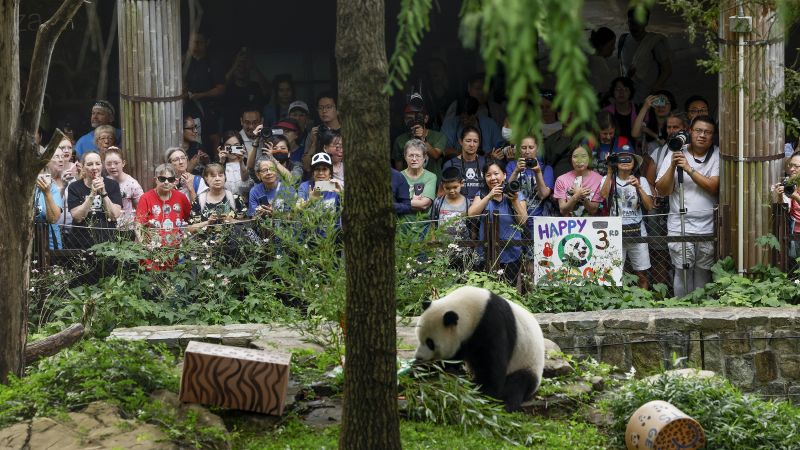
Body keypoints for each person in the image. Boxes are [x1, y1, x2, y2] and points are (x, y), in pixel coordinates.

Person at [655, 115, 720, 297]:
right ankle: (681, 309)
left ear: (712, 136)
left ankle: (700, 312)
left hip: (707, 225)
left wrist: (689, 169)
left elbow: (713, 187)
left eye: (707, 132)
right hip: (679, 223)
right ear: (690, 131)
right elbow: (662, 189)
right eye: (698, 130)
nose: (702, 135)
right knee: (682, 270)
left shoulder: (716, 154)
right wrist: (673, 166)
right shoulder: (676, 151)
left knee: (702, 270)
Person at [598, 147, 654, 288]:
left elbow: (649, 206)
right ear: (615, 161)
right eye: (621, 158)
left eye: (628, 158)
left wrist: (639, 187)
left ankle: (643, 303)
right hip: (614, 232)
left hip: (638, 231)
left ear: (634, 163)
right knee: (613, 272)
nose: (625, 161)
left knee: (642, 273)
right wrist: (610, 172)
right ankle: (616, 305)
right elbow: (603, 195)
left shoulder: (642, 180)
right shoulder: (608, 179)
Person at [468, 159, 528, 284]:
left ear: (504, 175)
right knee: (487, 290)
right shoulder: (482, 194)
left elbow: (523, 221)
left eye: (496, 173)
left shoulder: (517, 194)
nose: (493, 178)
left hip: (511, 252)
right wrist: (489, 196)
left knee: (509, 289)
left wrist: (515, 200)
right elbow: (471, 214)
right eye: (488, 175)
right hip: (486, 252)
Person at [135, 164, 192, 270]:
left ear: (175, 181)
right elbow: (138, 225)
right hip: (152, 254)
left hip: (175, 254)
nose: (166, 182)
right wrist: (144, 245)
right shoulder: (146, 198)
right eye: (162, 179)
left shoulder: (181, 197)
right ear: (156, 180)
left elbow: (191, 220)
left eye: (170, 179)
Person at [66, 151, 122, 248]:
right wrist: (92, 194)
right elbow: (77, 217)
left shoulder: (113, 185)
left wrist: (104, 193)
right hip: (81, 242)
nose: (94, 168)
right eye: (90, 164)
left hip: (108, 242)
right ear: (83, 167)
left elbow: (114, 215)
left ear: (102, 165)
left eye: (98, 163)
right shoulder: (74, 187)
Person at [618, 7, 671, 104]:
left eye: (639, 22)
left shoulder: (654, 42)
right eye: (631, 23)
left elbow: (666, 69)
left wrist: (656, 87)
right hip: (628, 99)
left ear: (646, 23)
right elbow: (622, 68)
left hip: (651, 99)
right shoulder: (623, 40)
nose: (634, 27)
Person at [183, 31, 226, 151]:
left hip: (210, 109)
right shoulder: (184, 62)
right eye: (193, 43)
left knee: (212, 138)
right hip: (188, 108)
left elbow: (221, 89)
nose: (196, 46)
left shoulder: (213, 63)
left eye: (199, 42)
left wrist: (200, 95)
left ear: (207, 42)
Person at [392, 95, 447, 182]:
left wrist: (422, 139)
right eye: (408, 118)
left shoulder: (439, 136)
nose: (412, 121)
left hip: (432, 186)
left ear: (426, 118)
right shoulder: (400, 140)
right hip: (409, 187)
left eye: (416, 118)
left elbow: (435, 155)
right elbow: (399, 171)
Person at [507, 135, 555, 219]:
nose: (527, 151)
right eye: (523, 147)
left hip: (538, 220)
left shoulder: (546, 169)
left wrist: (538, 172)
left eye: (531, 147)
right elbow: (507, 191)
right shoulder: (512, 165)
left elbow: (543, 195)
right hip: (515, 217)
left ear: (537, 148)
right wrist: (516, 171)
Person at [222, 46, 268, 132]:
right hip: (232, 134)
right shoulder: (228, 88)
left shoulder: (255, 87)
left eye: (244, 65)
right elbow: (220, 88)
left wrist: (253, 66)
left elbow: (267, 91)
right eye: (239, 66)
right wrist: (235, 64)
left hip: (253, 134)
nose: (241, 69)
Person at [188, 163, 246, 231]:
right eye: (213, 176)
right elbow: (190, 229)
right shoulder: (198, 201)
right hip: (206, 240)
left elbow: (247, 224)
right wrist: (208, 223)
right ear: (206, 178)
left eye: (220, 175)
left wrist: (230, 220)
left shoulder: (236, 198)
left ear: (225, 177)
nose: (217, 179)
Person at [553, 146, 603, 217]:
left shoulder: (599, 179)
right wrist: (576, 196)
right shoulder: (561, 180)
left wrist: (583, 197)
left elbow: (594, 210)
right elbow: (563, 210)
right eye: (575, 156)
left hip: (591, 225)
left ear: (589, 159)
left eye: (583, 156)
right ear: (570, 159)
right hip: (569, 225)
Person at [103, 147, 143, 231]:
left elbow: (141, 208)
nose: (112, 166)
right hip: (107, 228)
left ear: (123, 163)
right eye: (109, 164)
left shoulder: (132, 184)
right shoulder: (102, 182)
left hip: (127, 229)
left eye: (116, 163)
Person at [441, 126, 486, 199]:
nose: (472, 145)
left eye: (475, 141)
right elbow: (441, 193)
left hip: (483, 206)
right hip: (458, 207)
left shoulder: (486, 162)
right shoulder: (450, 164)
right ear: (460, 141)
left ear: (479, 143)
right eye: (468, 141)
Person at [302, 93, 342, 172]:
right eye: (320, 108)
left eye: (328, 107)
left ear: (337, 109)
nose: (324, 111)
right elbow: (306, 166)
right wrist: (314, 143)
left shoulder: (347, 131)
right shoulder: (315, 132)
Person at [772, 151, 800, 261]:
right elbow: (785, 209)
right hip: (794, 233)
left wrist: (795, 196)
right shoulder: (790, 182)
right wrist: (779, 196)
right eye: (790, 165)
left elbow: (795, 197)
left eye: (796, 166)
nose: (791, 169)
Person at [430, 166, 471, 238]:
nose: (451, 191)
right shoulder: (438, 202)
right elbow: (433, 223)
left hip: (462, 245)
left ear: (462, 183)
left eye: (455, 187)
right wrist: (433, 239)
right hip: (441, 245)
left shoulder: (467, 203)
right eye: (448, 188)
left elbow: (471, 226)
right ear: (443, 186)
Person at [588, 111, 632, 176]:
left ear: (615, 129)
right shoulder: (589, 142)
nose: (608, 137)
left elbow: (630, 165)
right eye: (605, 133)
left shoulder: (623, 142)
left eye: (611, 133)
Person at [400, 139, 437, 214]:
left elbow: (424, 204)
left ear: (424, 158)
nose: (414, 159)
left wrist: (401, 203)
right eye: (410, 155)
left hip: (423, 224)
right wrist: (414, 202)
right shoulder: (398, 176)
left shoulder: (431, 177)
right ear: (405, 157)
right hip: (402, 224)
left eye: (418, 156)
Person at [34, 165, 63, 250]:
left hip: (50, 241)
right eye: (40, 176)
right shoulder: (25, 189)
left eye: (46, 176)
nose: (43, 179)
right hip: (28, 240)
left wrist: (47, 192)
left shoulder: (52, 188)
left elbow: (53, 218)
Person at [217, 130, 253, 197]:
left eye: (236, 146)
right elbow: (216, 184)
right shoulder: (218, 166)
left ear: (242, 147)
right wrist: (221, 163)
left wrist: (241, 162)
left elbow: (247, 187)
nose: (232, 150)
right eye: (228, 147)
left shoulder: (248, 164)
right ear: (222, 148)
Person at [587, 27, 619, 97]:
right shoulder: (598, 61)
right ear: (601, 46)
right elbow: (609, 85)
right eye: (611, 45)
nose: (613, 48)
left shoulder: (589, 55)